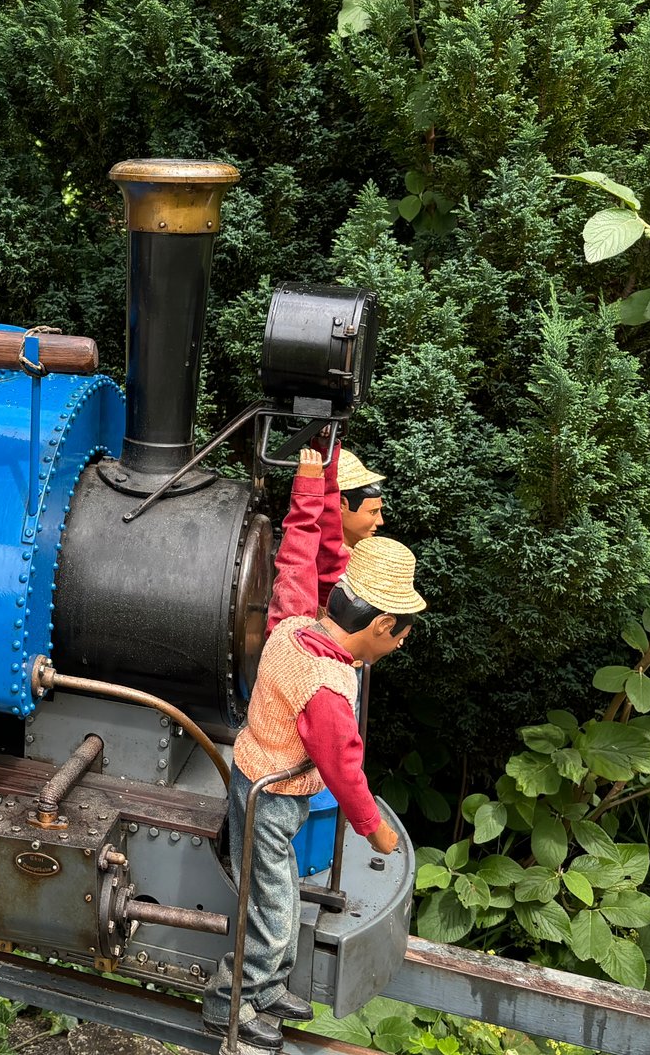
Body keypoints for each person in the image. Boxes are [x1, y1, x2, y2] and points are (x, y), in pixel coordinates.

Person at [205, 448, 421, 1050]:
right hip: (271, 796)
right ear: (379, 625)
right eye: (401, 634)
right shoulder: (326, 684)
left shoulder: (295, 621)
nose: (400, 646)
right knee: (272, 915)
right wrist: (372, 826)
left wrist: (312, 484)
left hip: (259, 780)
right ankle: (236, 1015)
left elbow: (300, 554)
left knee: (271, 895)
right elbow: (342, 765)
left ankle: (264, 989)